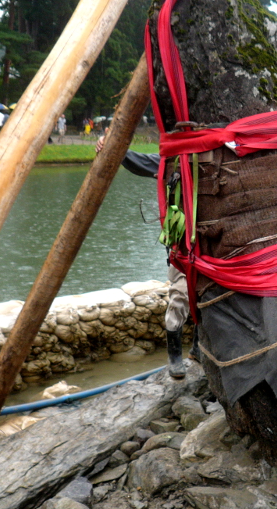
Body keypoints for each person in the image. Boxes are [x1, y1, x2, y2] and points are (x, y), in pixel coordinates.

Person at [94, 135, 197, 379]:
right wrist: (112, 147)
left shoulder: (208, 161)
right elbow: (137, 161)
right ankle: (175, 360)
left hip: (207, 247)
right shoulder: (173, 161)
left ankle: (198, 350)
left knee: (205, 301)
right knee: (180, 297)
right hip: (182, 247)